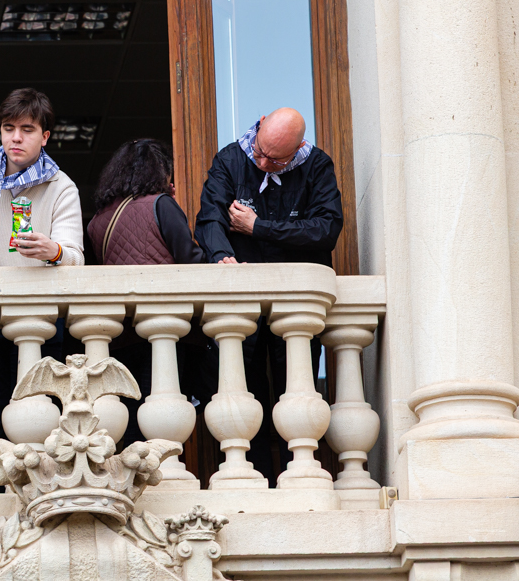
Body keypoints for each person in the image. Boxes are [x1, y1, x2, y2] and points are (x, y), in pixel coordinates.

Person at [194, 107, 343, 485]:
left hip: (295, 307)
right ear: (259, 125)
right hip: (242, 305)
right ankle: (255, 481)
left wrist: (259, 227)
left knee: (296, 393)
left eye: (276, 161)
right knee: (246, 395)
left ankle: (300, 480)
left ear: (298, 148)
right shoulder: (231, 159)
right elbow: (209, 218)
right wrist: (220, 254)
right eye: (260, 152)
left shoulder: (317, 166)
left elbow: (324, 230)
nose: (262, 163)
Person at [0, 87, 84, 440]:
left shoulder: (62, 186)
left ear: (45, 136)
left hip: (40, 321)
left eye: (27, 129)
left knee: (38, 423)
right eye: (8, 128)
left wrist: (53, 250)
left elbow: (75, 257)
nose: (16, 138)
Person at [87, 139, 205, 446]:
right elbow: (190, 261)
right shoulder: (161, 205)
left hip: (120, 334)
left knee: (129, 419)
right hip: (164, 329)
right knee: (164, 415)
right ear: (160, 172)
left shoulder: (98, 221)